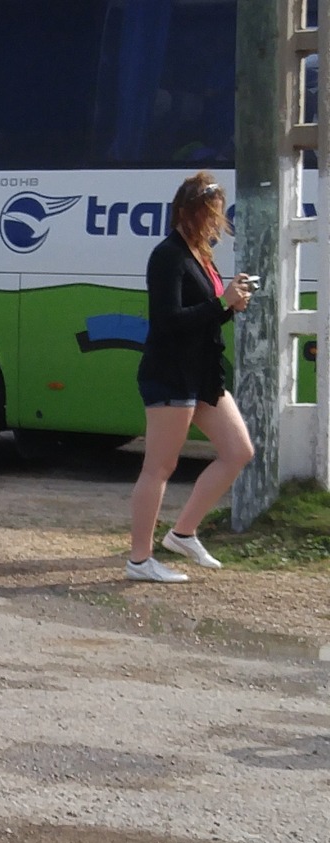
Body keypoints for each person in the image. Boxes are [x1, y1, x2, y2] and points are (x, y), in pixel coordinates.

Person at [125, 171, 256, 583]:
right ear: (186, 213)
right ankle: (139, 560)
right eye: (207, 214)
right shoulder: (167, 256)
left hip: (201, 375)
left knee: (238, 451)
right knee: (159, 467)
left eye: (215, 215)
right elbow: (168, 322)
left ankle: (183, 533)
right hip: (171, 375)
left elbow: (208, 309)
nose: (214, 222)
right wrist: (223, 305)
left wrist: (231, 301)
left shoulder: (199, 255)